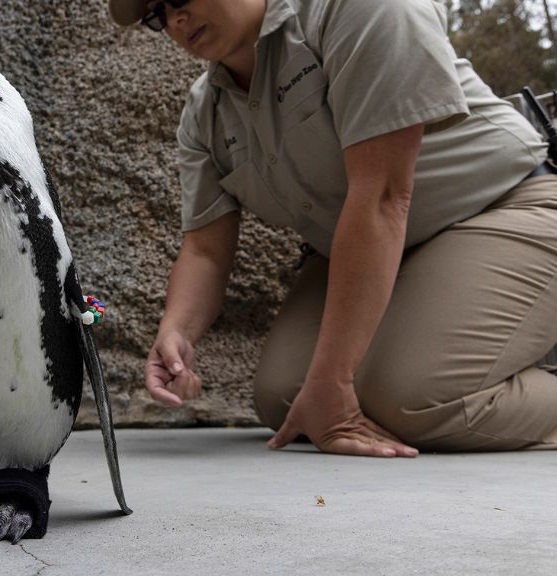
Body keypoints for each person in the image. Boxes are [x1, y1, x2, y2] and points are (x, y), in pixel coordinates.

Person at [110, 0, 557, 456]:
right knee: (285, 398)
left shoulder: (363, 11)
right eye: (156, 14)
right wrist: (176, 332)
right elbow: (205, 248)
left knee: (415, 397)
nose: (174, 19)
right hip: (389, 248)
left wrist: (335, 379)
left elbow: (383, 196)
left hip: (504, 206)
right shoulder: (204, 113)